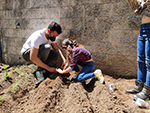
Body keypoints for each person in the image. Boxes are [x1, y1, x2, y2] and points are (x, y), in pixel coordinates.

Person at [126, 0, 150, 100]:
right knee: (140, 58)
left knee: (149, 61)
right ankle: (139, 84)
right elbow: (137, 10)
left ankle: (147, 90)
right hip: (143, 28)